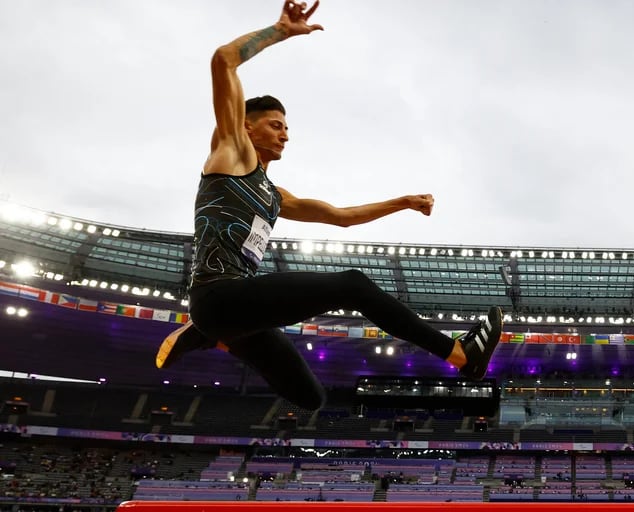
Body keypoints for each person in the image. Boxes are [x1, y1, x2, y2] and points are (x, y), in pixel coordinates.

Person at [154, 0, 502, 410]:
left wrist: (403, 202)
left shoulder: (274, 194)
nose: (285, 135)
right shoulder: (231, 152)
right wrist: (281, 31)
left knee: (309, 398)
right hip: (218, 295)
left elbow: (341, 218)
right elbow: (224, 60)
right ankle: (459, 354)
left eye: (287, 127)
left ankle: (211, 335)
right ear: (246, 125)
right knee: (352, 284)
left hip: (236, 313)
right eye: (275, 124)